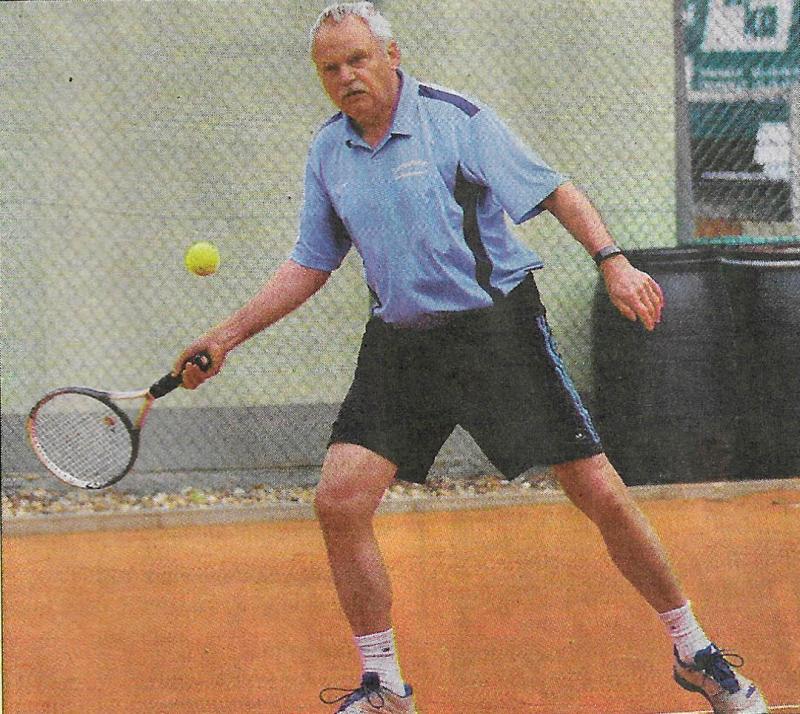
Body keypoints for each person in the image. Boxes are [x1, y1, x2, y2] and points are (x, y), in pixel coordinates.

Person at [174, 3, 768, 712]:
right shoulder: (329, 151)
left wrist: (612, 261)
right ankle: (384, 686)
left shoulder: (455, 119)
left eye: (358, 59)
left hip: (496, 333)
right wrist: (225, 336)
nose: (346, 77)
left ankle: (694, 650)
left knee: (599, 492)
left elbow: (554, 191)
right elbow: (311, 260)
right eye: (330, 69)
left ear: (392, 55)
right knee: (339, 500)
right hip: (402, 345)